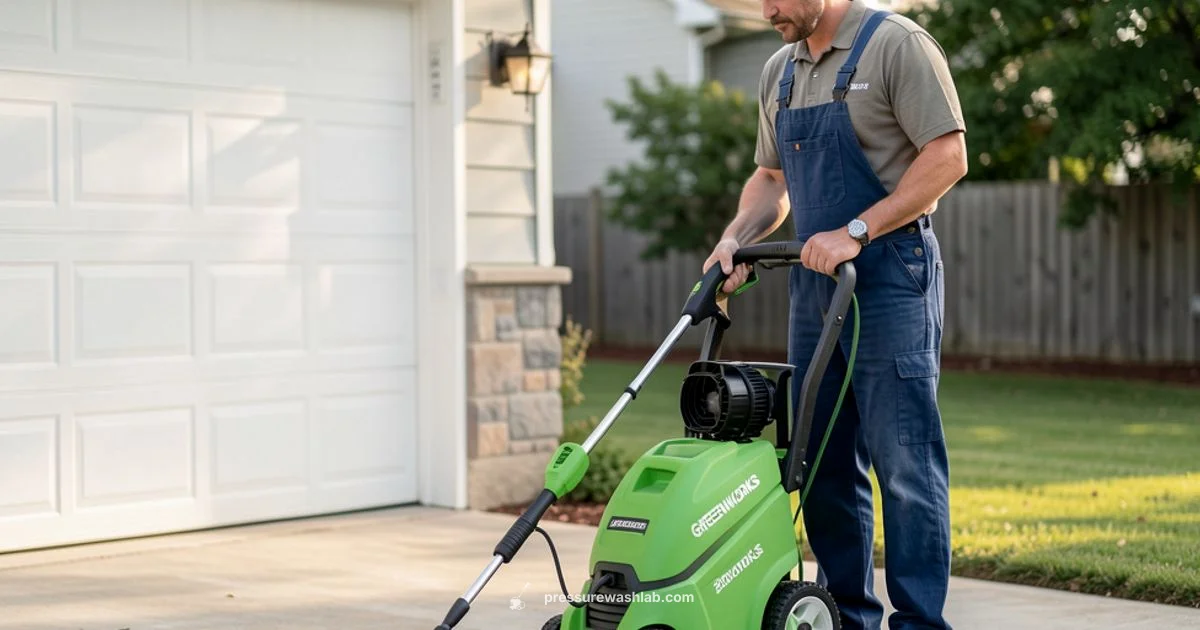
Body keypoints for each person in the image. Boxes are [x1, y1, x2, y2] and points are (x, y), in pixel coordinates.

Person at [702, 1, 968, 628]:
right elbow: (771, 178)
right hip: (816, 282)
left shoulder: (897, 45)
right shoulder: (779, 70)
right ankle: (846, 616)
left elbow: (948, 157)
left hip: (891, 274)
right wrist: (735, 236)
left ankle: (919, 623)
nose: (765, 10)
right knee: (820, 459)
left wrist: (857, 229)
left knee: (905, 462)